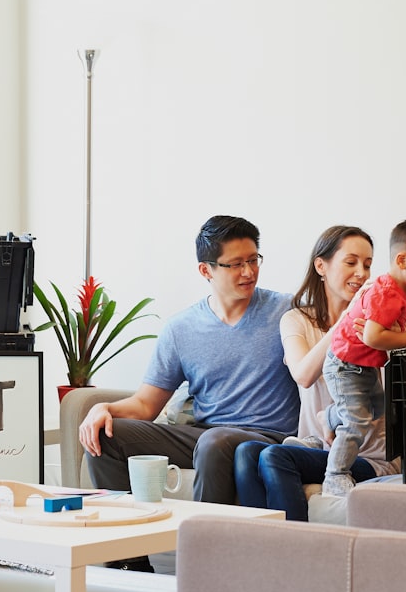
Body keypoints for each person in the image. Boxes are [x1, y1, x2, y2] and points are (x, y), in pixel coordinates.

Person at [78, 215, 300, 514]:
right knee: (108, 437)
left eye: (253, 260)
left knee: (214, 441)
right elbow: (146, 406)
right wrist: (103, 409)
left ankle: (204, 551)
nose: (248, 272)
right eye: (235, 264)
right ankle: (131, 560)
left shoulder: (287, 310)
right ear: (205, 270)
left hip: (268, 437)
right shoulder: (181, 329)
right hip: (205, 436)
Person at [234, 225, 401, 520]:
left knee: (275, 456)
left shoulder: (377, 325)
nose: (361, 273)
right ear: (321, 266)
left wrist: (367, 321)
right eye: (351, 263)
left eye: (367, 264)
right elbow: (303, 374)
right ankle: (261, 551)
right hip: (313, 446)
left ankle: (297, 551)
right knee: (246, 453)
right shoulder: (296, 320)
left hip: (366, 455)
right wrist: (345, 322)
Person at [321, 219, 406, 497]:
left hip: (363, 365)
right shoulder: (385, 292)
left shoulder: (395, 291)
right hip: (345, 365)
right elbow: (373, 337)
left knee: (379, 410)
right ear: (403, 259)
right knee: (357, 423)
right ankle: (335, 476)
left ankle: (329, 417)